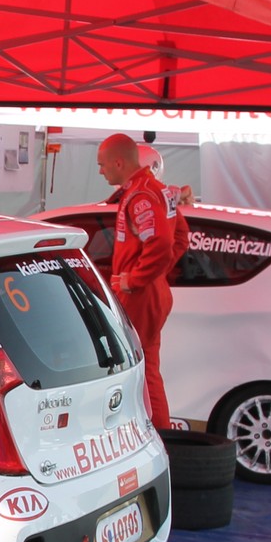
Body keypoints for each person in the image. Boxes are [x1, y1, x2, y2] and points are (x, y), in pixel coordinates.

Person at [97, 133, 176, 430]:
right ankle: (161, 433)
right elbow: (178, 237)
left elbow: (162, 243)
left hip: (140, 294)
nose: (101, 171)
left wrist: (136, 278)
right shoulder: (154, 189)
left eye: (103, 165)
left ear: (119, 162)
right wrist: (155, 276)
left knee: (135, 368)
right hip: (152, 290)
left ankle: (146, 433)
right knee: (148, 369)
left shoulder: (140, 194)